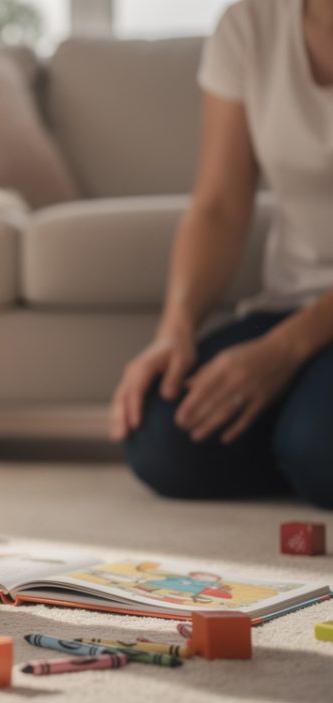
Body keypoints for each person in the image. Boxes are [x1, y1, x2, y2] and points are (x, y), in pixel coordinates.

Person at [110, 0, 333, 508]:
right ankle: (302, 443)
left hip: (307, 328)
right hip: (292, 302)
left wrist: (284, 351)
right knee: (162, 440)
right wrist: (175, 329)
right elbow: (219, 207)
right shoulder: (249, 23)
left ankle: (307, 446)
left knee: (320, 451)